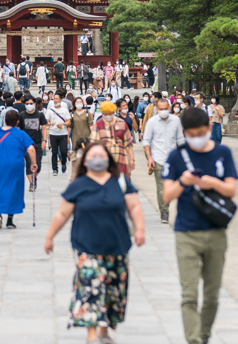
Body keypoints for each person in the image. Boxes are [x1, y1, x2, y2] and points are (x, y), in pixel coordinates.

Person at [45, 141, 146, 342]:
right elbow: (63, 213)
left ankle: (104, 331)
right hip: (86, 246)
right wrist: (50, 236)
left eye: (101, 155)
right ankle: (91, 335)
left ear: (108, 159)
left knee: (113, 289)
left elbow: (134, 206)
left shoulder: (120, 182)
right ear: (85, 161)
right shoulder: (78, 185)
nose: (97, 159)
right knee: (90, 287)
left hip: (117, 245)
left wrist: (140, 229)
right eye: (92, 156)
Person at [162, 108, 238, 344]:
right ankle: (194, 340)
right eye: (192, 134)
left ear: (209, 126)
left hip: (216, 232)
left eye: (202, 132)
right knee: (189, 294)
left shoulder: (222, 152)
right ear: (184, 132)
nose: (197, 137)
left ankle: (203, 336)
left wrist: (212, 182)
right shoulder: (176, 157)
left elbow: (231, 189)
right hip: (186, 232)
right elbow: (167, 196)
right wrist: (183, 181)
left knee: (213, 294)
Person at [0, 109, 37, 229]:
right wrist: (33, 163)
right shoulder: (21, 134)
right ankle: (10, 220)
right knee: (14, 189)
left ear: (4, 120)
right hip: (15, 165)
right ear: (17, 121)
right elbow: (31, 149)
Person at [142, 98, 185, 224]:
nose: (163, 111)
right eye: (161, 109)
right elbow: (146, 141)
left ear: (169, 108)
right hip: (158, 158)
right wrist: (149, 158)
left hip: (174, 158)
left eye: (165, 109)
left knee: (177, 187)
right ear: (156, 108)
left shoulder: (176, 121)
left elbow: (180, 140)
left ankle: (179, 209)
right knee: (161, 188)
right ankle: (164, 212)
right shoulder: (152, 122)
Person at [93, 101, 134, 179]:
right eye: (105, 114)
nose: (108, 116)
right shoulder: (98, 125)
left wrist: (132, 159)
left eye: (110, 113)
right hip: (104, 161)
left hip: (121, 159)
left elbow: (128, 143)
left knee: (123, 185)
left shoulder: (122, 123)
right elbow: (93, 144)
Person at [19, 94, 48, 191]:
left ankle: (34, 177)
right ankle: (31, 183)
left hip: (37, 142)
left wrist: (44, 140)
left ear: (35, 104)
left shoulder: (39, 115)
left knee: (38, 164)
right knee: (28, 163)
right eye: (27, 103)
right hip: (26, 144)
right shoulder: (21, 115)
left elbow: (44, 128)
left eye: (31, 103)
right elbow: (19, 129)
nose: (29, 105)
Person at [46, 92, 71, 176]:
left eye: (57, 99)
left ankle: (63, 163)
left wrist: (63, 124)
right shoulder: (50, 110)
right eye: (54, 99)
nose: (55, 100)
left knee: (64, 151)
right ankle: (55, 169)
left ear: (60, 100)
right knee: (54, 152)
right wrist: (50, 124)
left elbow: (69, 122)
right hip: (53, 133)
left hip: (63, 133)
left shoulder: (64, 110)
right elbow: (46, 122)